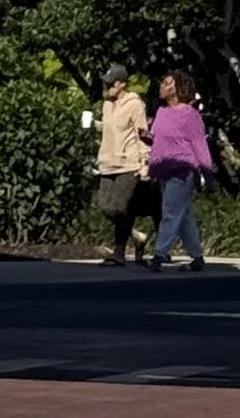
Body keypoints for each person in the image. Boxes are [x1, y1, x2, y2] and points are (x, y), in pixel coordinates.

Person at [147, 71, 214, 270]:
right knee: (182, 215)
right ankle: (197, 257)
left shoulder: (189, 115)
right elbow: (157, 138)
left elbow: (199, 145)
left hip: (181, 169)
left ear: (178, 88)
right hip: (162, 170)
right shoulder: (162, 112)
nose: (162, 86)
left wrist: (206, 172)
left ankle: (159, 254)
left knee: (170, 211)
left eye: (167, 83)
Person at [92, 66, 152, 265]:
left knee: (119, 207)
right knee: (104, 206)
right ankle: (136, 235)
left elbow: (141, 133)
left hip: (128, 163)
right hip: (107, 161)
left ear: (122, 84)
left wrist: (145, 161)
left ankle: (118, 253)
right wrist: (94, 125)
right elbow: (110, 128)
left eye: (111, 83)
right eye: (106, 83)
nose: (108, 87)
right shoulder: (107, 105)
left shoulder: (135, 104)